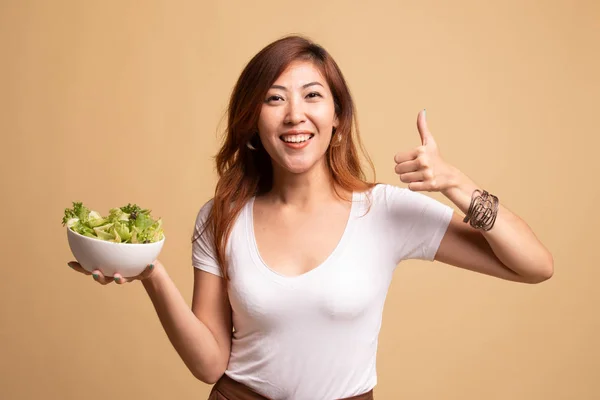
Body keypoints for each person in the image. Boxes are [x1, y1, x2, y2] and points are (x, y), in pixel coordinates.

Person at [68, 35, 554, 400]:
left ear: (337, 117)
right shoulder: (222, 216)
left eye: (312, 96)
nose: (294, 114)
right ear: (254, 124)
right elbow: (209, 362)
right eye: (275, 98)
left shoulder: (383, 212)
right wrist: (152, 275)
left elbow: (534, 266)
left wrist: (456, 185)